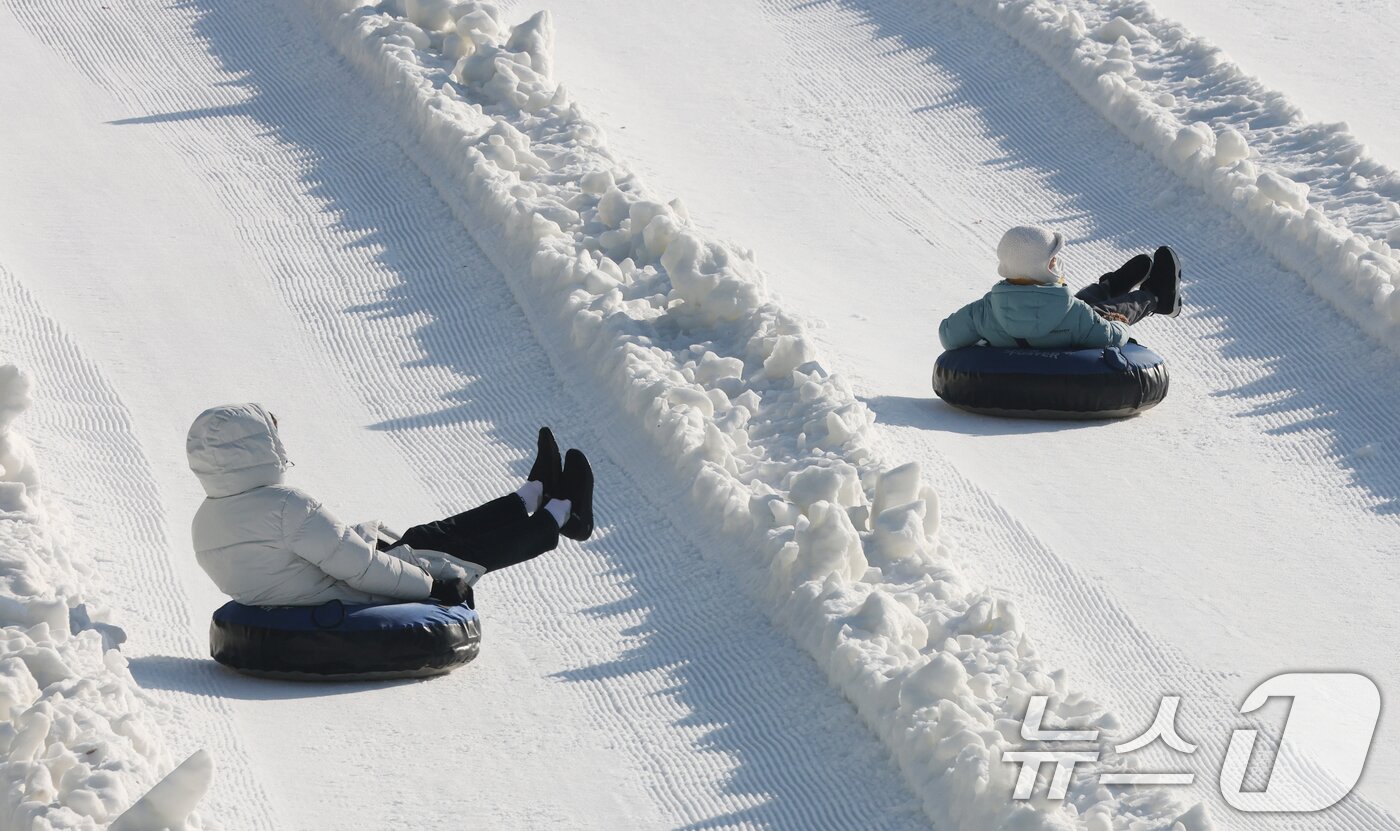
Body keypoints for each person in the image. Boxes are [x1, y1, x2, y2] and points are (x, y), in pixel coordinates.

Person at [186, 403, 593, 608]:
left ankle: (531, 497)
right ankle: (560, 514)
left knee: (419, 538)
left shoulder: (205, 520)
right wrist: (434, 587)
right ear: (254, 450)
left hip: (311, 597)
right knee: (449, 556)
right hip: (349, 599)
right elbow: (360, 569)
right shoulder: (284, 506)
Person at [938, 225, 1182, 351]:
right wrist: (1120, 324)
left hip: (1042, 329)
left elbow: (948, 335)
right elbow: (1112, 337)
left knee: (1080, 307)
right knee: (1105, 314)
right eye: (1053, 260)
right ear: (1045, 267)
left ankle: (1109, 286)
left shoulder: (983, 311)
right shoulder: (1074, 314)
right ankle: (1156, 296)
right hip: (1071, 328)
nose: (1057, 263)